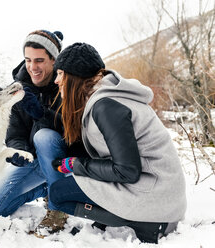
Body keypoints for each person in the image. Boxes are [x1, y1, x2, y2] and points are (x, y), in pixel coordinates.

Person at [46, 42, 187, 244]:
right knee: (68, 187)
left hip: (156, 198)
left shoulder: (105, 107)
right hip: (160, 191)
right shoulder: (105, 98)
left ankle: (142, 223)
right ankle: (120, 218)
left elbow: (127, 171)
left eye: (61, 74)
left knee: (58, 194)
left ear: (75, 76)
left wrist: (77, 165)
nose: (57, 81)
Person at [0, 30, 85, 236]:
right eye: (28, 60)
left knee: (43, 136)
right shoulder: (19, 89)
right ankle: (47, 187)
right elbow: (15, 133)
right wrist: (19, 150)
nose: (32, 67)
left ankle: (58, 206)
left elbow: (74, 132)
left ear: (54, 61)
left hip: (64, 160)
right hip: (36, 161)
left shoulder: (67, 84)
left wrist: (41, 113)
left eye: (39, 60)